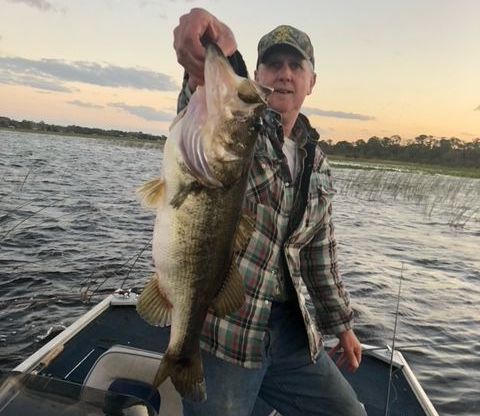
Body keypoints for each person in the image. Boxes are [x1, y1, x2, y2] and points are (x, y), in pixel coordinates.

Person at [173, 8, 367, 416]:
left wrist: (342, 324)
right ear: (257, 75)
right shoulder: (243, 128)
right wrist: (215, 55)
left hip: (292, 335)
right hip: (230, 332)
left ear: (311, 82)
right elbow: (211, 111)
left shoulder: (318, 162)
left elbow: (319, 256)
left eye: (296, 66)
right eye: (273, 64)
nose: (284, 74)